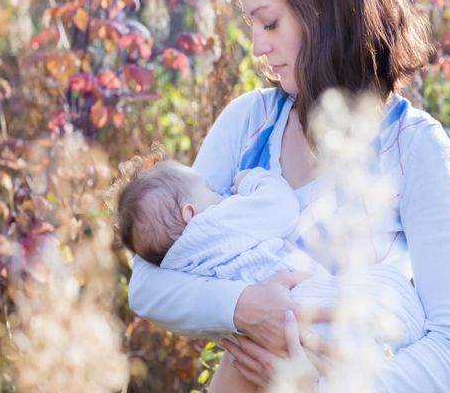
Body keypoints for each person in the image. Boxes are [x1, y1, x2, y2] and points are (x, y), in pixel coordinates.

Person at [127, 0, 450, 391]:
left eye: (269, 22)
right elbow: (147, 283)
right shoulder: (248, 124)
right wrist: (249, 307)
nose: (257, 46)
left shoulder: (414, 149)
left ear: (323, 8)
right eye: (252, 24)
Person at [117, 158, 427, 391]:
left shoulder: (174, 264)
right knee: (389, 290)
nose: (220, 194)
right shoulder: (215, 222)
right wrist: (250, 179)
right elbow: (281, 207)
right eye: (210, 191)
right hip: (303, 301)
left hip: (267, 353)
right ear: (190, 213)